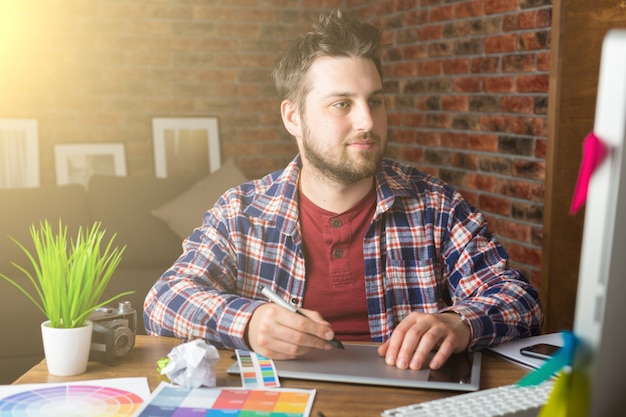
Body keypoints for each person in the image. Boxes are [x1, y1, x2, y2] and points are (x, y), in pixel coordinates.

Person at [144, 10, 543, 371]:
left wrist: (459, 324)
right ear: (293, 117)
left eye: (376, 101)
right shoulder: (240, 211)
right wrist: (249, 322)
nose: (368, 121)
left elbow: (521, 300)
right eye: (341, 104)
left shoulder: (435, 205)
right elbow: (163, 300)